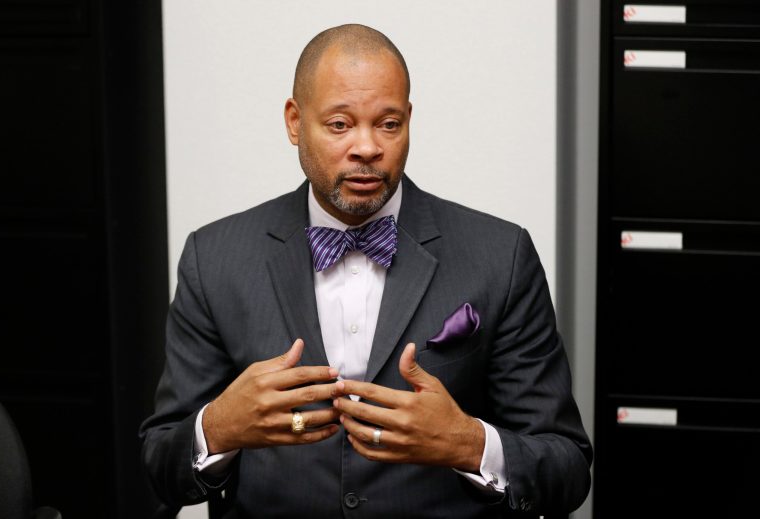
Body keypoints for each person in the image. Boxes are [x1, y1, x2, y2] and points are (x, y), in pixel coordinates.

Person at [140, 24, 592, 518]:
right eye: (339, 125)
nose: (367, 148)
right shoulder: (216, 258)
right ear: (294, 122)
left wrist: (468, 443)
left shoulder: (499, 255)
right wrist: (219, 428)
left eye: (388, 124)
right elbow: (161, 466)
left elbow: (567, 469)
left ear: (409, 121)